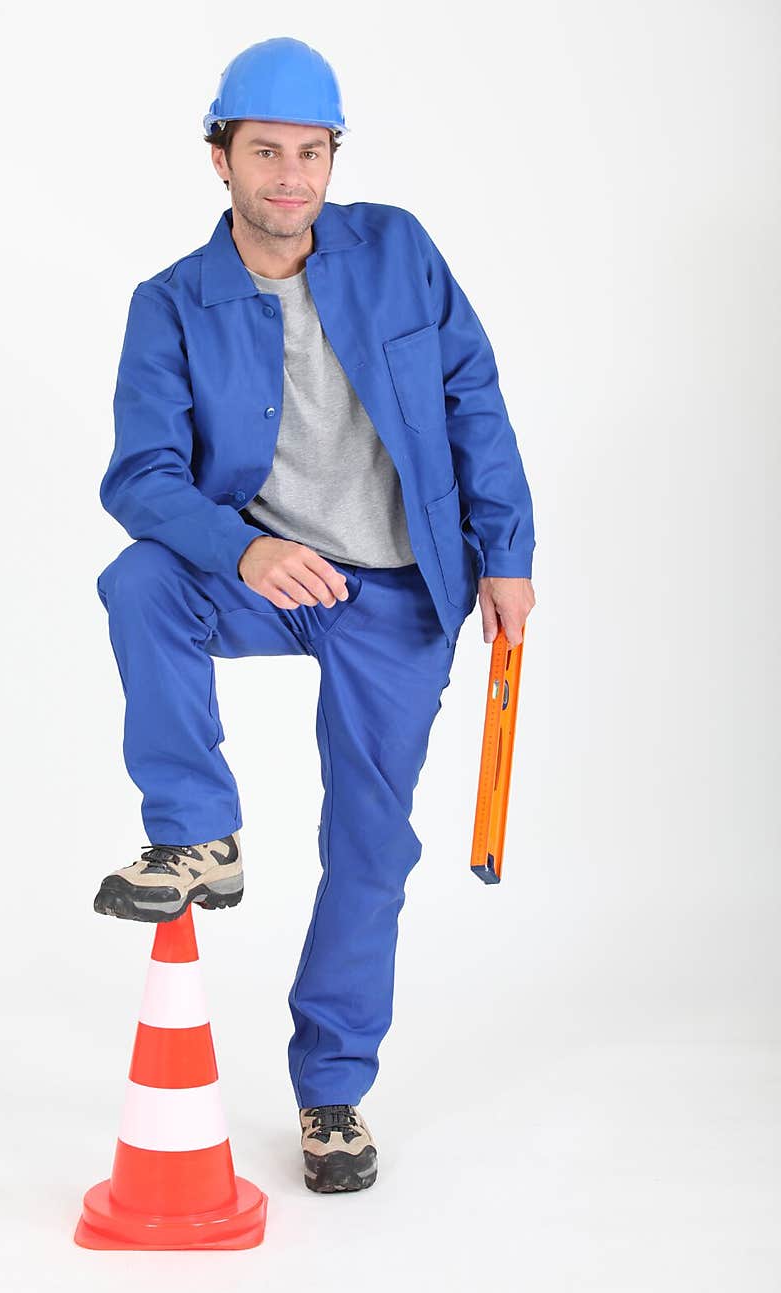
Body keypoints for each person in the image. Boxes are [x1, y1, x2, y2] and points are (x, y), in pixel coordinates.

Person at [93, 36, 537, 1194]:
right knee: (141, 579)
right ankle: (200, 829)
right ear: (219, 159)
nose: (290, 177)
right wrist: (245, 549)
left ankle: (331, 1090)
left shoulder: (398, 251)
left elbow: (471, 396)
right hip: (275, 579)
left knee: (370, 844)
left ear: (332, 156)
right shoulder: (170, 304)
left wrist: (509, 554)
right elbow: (140, 478)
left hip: (399, 588)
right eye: (265, 154)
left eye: (310, 153)